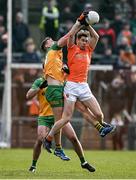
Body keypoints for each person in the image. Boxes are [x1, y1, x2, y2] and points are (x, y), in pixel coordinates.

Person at [43, 13, 115, 151]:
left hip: (83, 86)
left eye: (86, 40)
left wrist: (88, 26)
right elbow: (70, 35)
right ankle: (48, 138)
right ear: (78, 41)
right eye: (82, 40)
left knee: (99, 114)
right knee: (66, 118)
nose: (85, 42)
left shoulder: (89, 50)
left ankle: (101, 126)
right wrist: (80, 24)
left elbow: (97, 37)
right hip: (71, 86)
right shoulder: (71, 48)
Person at [26, 77, 95, 172]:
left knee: (74, 138)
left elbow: (70, 95)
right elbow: (28, 95)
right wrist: (39, 88)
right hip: (44, 117)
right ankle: (33, 165)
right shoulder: (39, 81)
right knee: (40, 140)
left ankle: (84, 162)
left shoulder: (62, 81)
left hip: (59, 117)